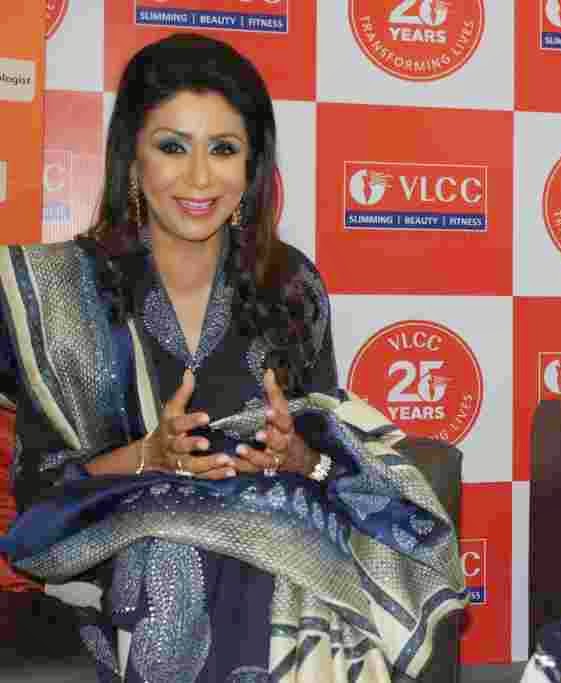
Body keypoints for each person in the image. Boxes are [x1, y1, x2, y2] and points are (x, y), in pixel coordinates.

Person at [0, 33, 466, 681]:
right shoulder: (59, 291)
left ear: (252, 167)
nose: (199, 177)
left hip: (279, 527)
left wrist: (298, 456)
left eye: (223, 149)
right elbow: (41, 497)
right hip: (114, 541)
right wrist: (148, 457)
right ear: (132, 158)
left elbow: (322, 441)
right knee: (184, 549)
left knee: (272, 552)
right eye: (172, 146)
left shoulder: (290, 286)